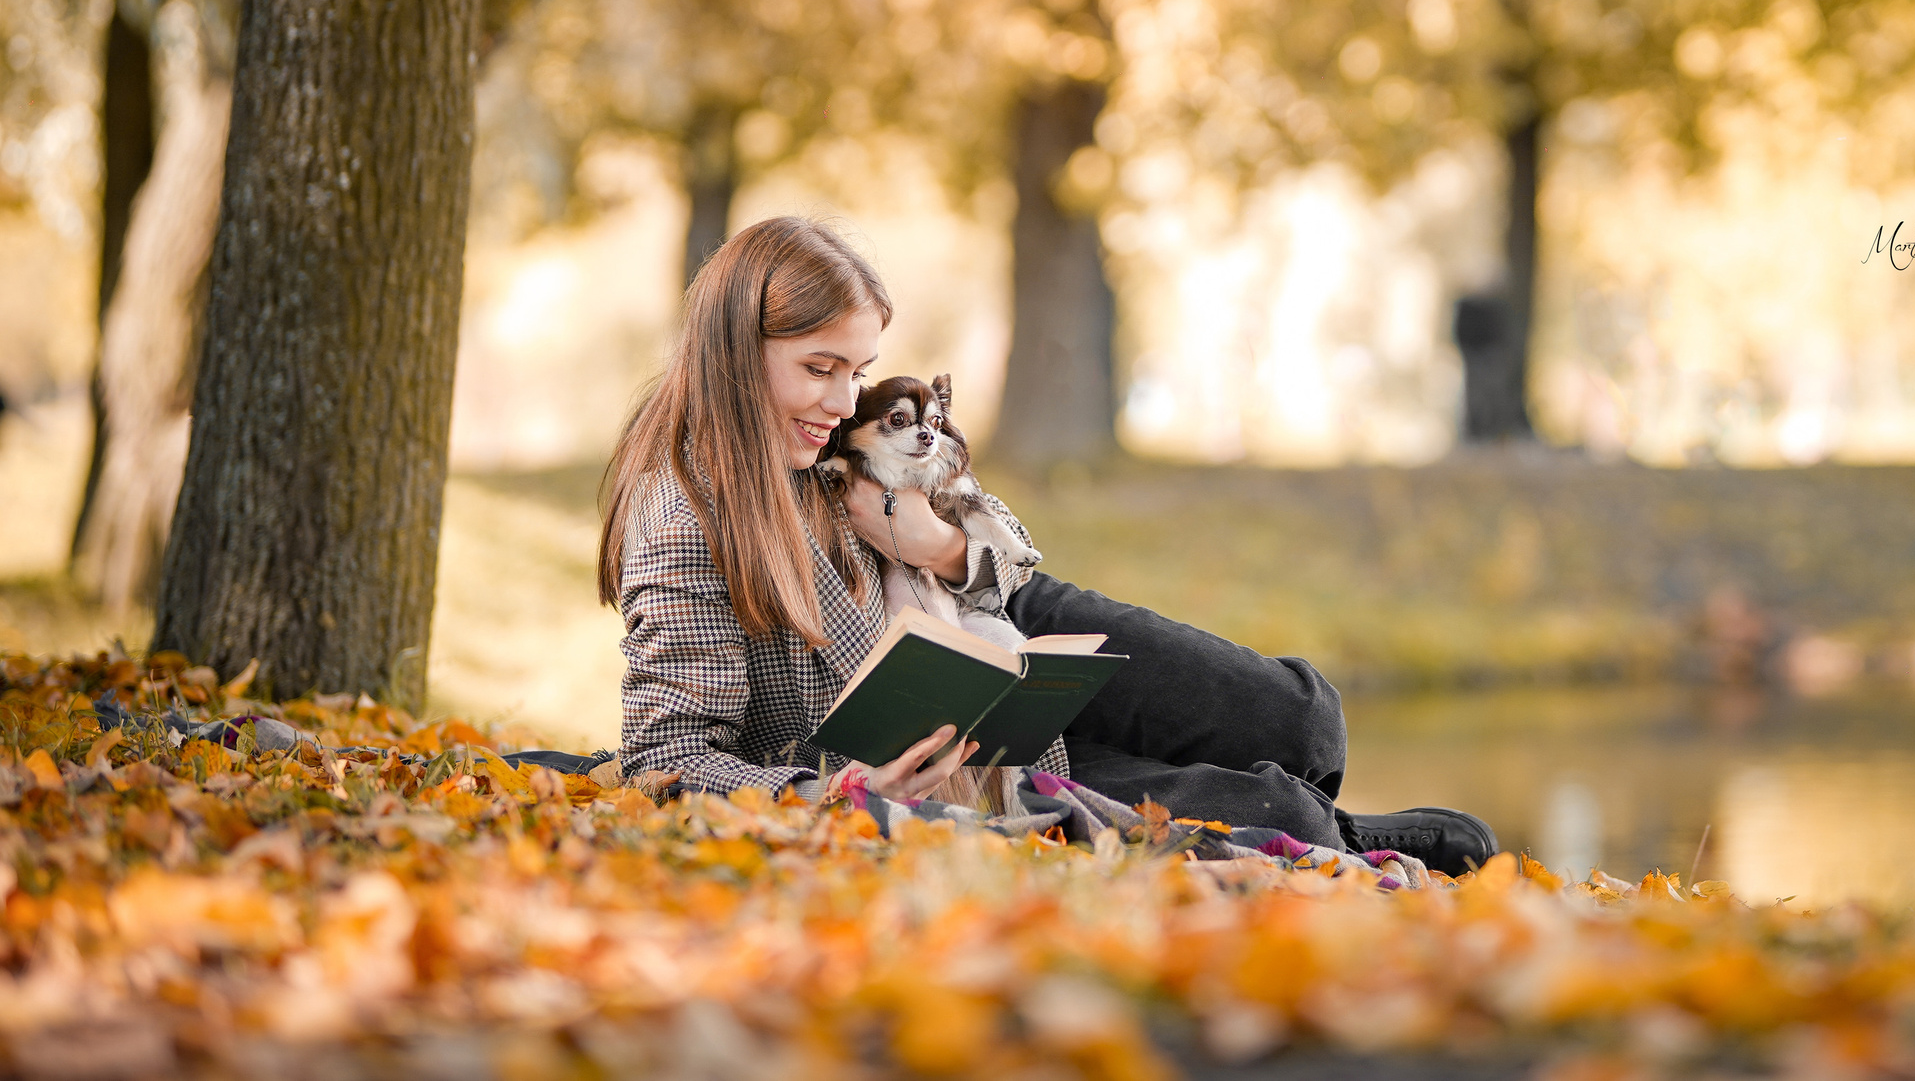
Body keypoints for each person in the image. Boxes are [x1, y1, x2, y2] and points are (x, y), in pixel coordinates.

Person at [598, 214, 1496, 874]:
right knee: (1266, 806)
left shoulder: (844, 440)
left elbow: (1008, 542)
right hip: (955, 758)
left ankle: (1322, 819)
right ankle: (1344, 831)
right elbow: (667, 756)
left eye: (858, 371)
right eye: (819, 369)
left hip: (1007, 618)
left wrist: (944, 546)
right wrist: (840, 794)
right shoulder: (681, 512)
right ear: (731, 352)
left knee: (1303, 715)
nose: (841, 401)